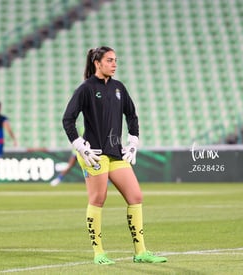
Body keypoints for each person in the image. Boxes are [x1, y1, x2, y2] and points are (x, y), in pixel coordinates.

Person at [62, 46, 167, 265]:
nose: (114, 64)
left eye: (115, 60)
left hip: (115, 152)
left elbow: (132, 115)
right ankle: (98, 252)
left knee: (136, 196)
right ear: (97, 63)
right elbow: (68, 119)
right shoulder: (86, 89)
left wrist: (133, 142)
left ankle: (140, 252)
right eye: (109, 60)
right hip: (94, 154)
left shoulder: (119, 88)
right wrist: (80, 145)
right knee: (98, 199)